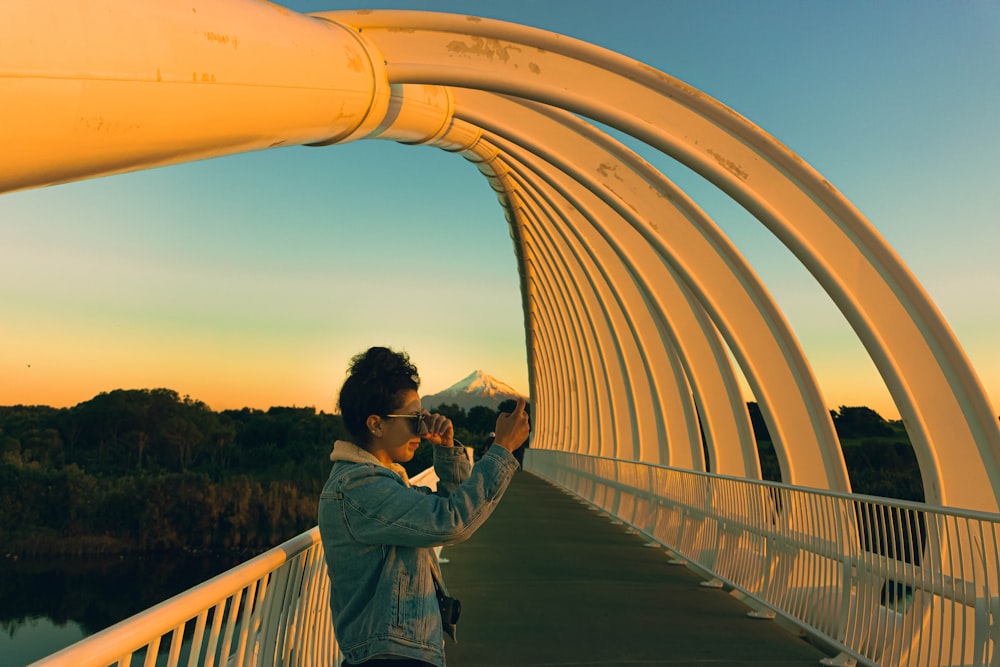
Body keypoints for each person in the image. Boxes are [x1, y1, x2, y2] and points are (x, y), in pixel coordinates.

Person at [318, 346, 530, 667]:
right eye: (414, 419)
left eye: (423, 416)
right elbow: (452, 521)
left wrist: (446, 451)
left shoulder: (384, 482)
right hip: (389, 657)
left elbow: (449, 508)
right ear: (376, 425)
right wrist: (501, 449)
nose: (423, 426)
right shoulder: (360, 487)